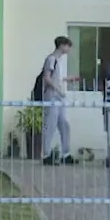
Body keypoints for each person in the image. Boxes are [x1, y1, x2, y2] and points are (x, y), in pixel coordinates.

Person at [40, 36, 80, 166]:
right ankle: (46, 154)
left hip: (60, 96)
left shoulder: (59, 61)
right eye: (68, 46)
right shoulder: (51, 59)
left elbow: (59, 78)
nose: (69, 49)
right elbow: (47, 78)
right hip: (52, 95)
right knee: (50, 125)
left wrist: (70, 79)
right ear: (61, 45)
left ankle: (65, 153)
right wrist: (58, 90)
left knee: (64, 124)